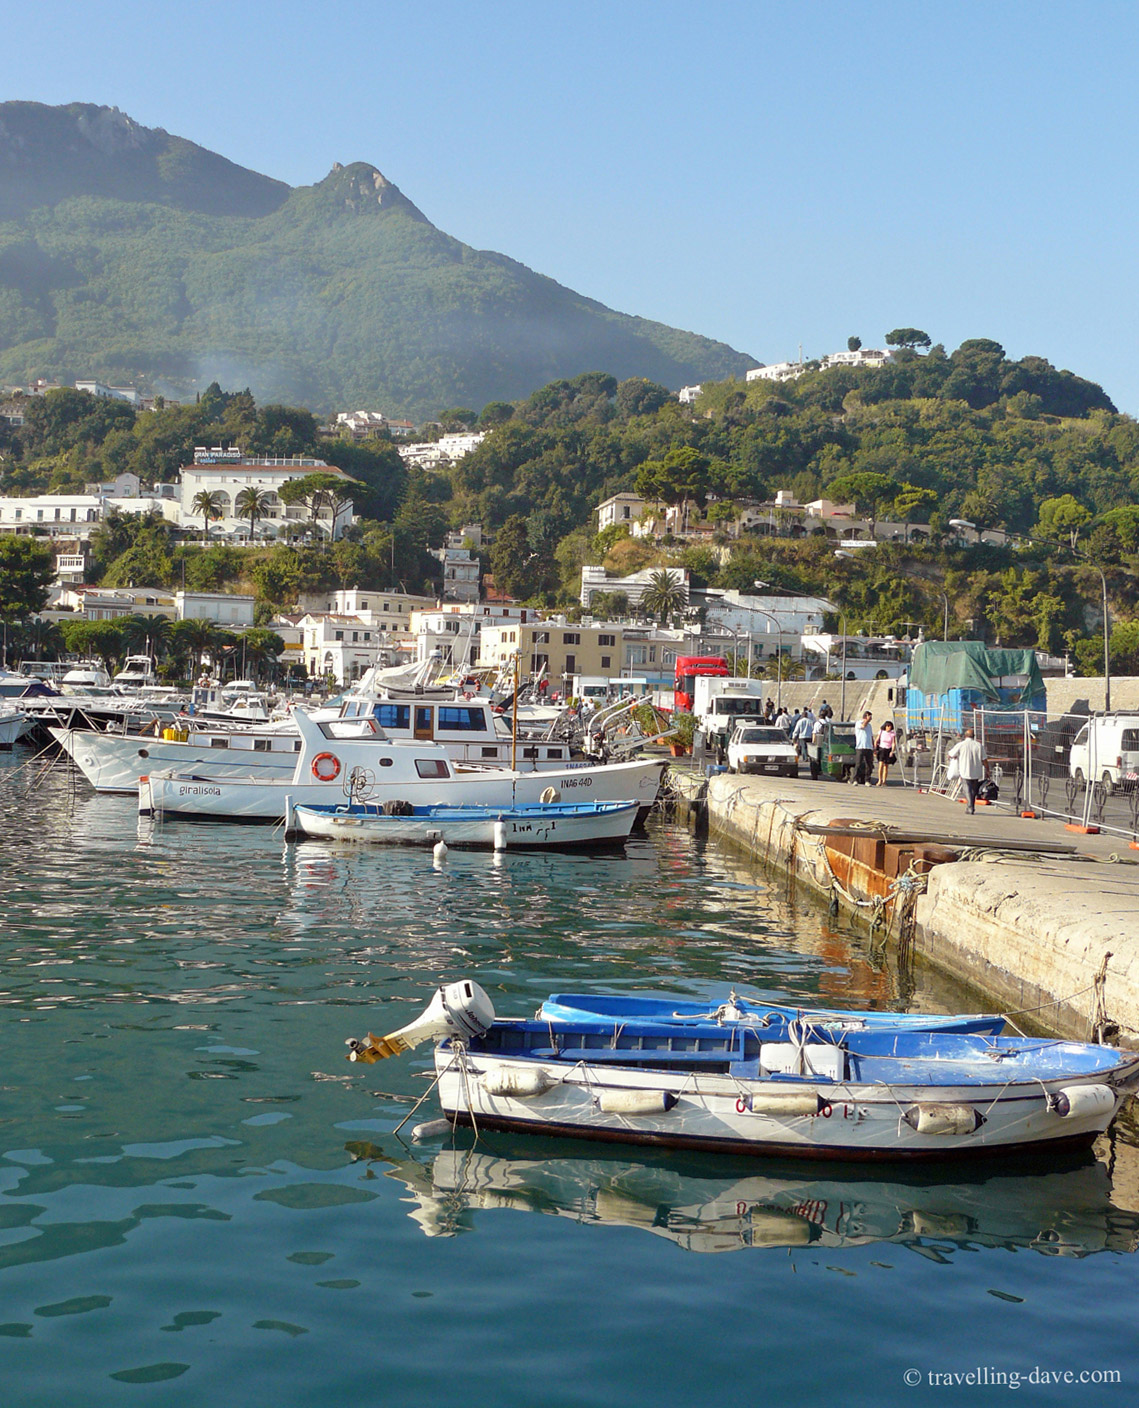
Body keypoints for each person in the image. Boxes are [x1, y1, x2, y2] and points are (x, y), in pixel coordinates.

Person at [948, 727, 987, 813]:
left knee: (967, 790)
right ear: (974, 736)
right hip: (976, 771)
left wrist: (954, 756)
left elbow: (950, 754)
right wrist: (987, 770)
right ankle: (971, 806)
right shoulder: (979, 745)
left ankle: (970, 807)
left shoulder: (961, 745)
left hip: (965, 771)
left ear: (965, 736)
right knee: (973, 790)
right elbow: (984, 759)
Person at [854, 711, 874, 785]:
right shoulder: (858, 723)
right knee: (858, 764)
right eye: (869, 716)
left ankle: (867, 780)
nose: (871, 718)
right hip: (860, 747)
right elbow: (863, 726)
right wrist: (866, 720)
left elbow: (871, 736)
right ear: (865, 716)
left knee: (869, 765)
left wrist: (873, 746)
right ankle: (855, 779)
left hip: (868, 747)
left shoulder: (870, 726)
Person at [876, 719, 897, 786]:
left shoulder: (892, 734)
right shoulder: (881, 732)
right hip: (882, 749)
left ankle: (884, 781)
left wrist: (892, 751)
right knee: (880, 765)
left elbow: (893, 743)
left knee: (886, 766)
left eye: (890, 726)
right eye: (888, 726)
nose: (889, 727)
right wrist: (875, 749)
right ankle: (879, 780)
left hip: (888, 750)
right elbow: (877, 740)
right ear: (885, 726)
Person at [809, 712, 828, 780]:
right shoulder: (828, 723)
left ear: (819, 717)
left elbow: (814, 733)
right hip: (826, 741)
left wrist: (813, 742)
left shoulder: (817, 723)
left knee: (817, 757)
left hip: (819, 740)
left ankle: (817, 770)